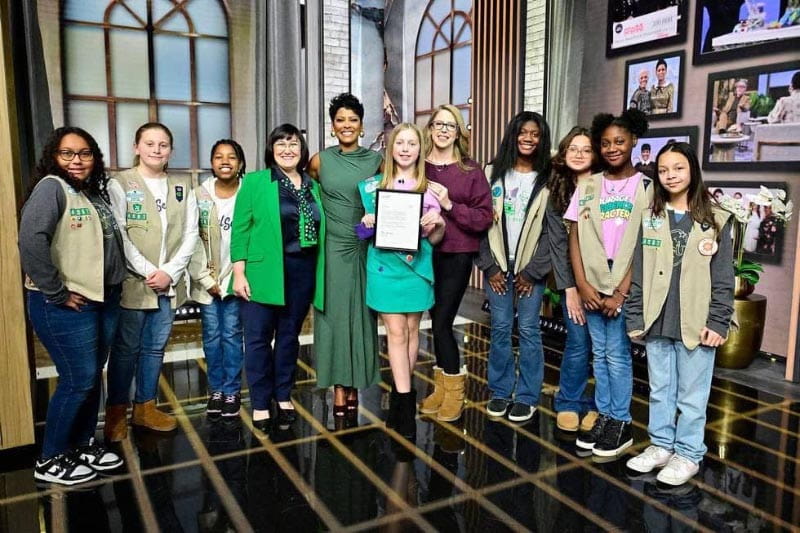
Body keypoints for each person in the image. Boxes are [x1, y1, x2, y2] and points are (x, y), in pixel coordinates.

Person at [20, 127, 125, 484]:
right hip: (67, 304)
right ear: (54, 156)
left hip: (103, 298)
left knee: (92, 376)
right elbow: (31, 241)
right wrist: (57, 292)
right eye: (68, 153)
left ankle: (80, 446)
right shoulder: (51, 188)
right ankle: (49, 459)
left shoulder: (90, 192)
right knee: (77, 379)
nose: (76, 161)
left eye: (84, 154)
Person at [625, 142, 734, 486]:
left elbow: (723, 277)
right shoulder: (651, 216)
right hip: (657, 318)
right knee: (660, 389)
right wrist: (634, 316)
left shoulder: (716, 219)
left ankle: (687, 453)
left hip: (697, 323)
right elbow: (639, 270)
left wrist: (718, 321)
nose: (670, 176)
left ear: (693, 171)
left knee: (692, 394)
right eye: (663, 170)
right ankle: (660, 445)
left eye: (678, 168)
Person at [565, 109, 652, 457]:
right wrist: (583, 285)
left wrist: (621, 292)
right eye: (605, 143)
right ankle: (604, 414)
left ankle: (621, 420)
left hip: (623, 283)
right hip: (593, 282)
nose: (613, 148)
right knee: (599, 354)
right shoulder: (588, 185)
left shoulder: (646, 187)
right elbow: (574, 235)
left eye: (619, 141)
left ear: (633, 141)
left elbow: (647, 243)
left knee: (617, 356)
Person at [105, 122, 199, 441]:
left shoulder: (182, 186)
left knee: (155, 348)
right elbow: (120, 234)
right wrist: (150, 272)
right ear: (136, 147)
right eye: (149, 143)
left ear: (170, 150)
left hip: (168, 284)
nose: (156, 149)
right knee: (126, 349)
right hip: (135, 283)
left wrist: (170, 272)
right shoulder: (120, 184)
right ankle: (116, 412)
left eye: (163, 145)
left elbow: (190, 234)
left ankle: (145, 407)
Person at [231, 124, 325, 433]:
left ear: (302, 150)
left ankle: (283, 395)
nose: (288, 149)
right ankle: (260, 402)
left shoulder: (313, 185)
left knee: (288, 338)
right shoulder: (256, 182)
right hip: (262, 272)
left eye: (294, 143)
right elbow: (240, 228)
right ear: (271, 149)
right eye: (281, 143)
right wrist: (239, 271)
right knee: (257, 340)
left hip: (302, 272)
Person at [358, 123, 446, 438]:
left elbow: (435, 239)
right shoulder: (372, 187)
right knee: (396, 333)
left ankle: (399, 395)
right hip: (384, 267)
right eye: (400, 143)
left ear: (420, 149)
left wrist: (437, 223)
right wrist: (366, 223)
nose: (406, 148)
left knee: (411, 332)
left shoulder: (430, 189)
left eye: (411, 143)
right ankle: (406, 404)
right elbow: (363, 234)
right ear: (391, 148)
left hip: (417, 268)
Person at [308, 93, 383, 415]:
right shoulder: (320, 160)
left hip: (366, 247)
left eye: (353, 119)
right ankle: (339, 385)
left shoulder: (377, 161)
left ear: (362, 125)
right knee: (334, 318)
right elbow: (310, 195)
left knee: (362, 317)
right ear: (333, 125)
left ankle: (356, 382)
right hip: (333, 249)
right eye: (341, 120)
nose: (347, 125)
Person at [476, 111, 553, 424]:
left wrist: (533, 272)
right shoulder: (492, 171)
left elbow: (552, 230)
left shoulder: (548, 177)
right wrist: (489, 268)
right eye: (523, 132)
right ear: (513, 135)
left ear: (541, 138)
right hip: (497, 267)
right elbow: (479, 224)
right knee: (500, 329)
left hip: (530, 271)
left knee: (530, 331)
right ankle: (500, 390)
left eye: (535, 134)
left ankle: (526, 396)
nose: (529, 138)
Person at [418, 104, 492, 422]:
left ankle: (455, 392)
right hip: (422, 253)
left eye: (451, 125)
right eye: (439, 124)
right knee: (435, 320)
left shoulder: (470, 171)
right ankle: (441, 387)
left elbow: (483, 217)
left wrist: (449, 204)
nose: (444, 130)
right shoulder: (418, 166)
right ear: (430, 128)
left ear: (459, 131)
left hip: (457, 255)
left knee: (442, 322)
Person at [188, 139, 247, 417]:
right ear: (211, 163)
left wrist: (238, 277)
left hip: (237, 281)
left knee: (233, 336)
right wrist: (206, 280)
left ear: (240, 163)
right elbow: (191, 242)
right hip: (207, 282)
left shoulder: (249, 193)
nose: (225, 161)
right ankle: (216, 390)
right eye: (219, 156)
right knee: (212, 337)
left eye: (232, 157)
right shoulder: (198, 195)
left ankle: (232, 391)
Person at [545, 126, 598, 433]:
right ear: (564, 154)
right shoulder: (557, 191)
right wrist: (570, 290)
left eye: (586, 149)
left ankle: (598, 406)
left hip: (604, 280)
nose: (578, 154)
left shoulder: (607, 187)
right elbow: (557, 245)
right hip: (569, 281)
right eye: (572, 149)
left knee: (604, 348)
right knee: (578, 342)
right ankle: (568, 401)